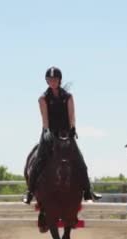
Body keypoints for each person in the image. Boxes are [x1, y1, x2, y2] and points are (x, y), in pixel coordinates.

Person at [22, 66, 102, 204]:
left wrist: (73, 128)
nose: (53, 82)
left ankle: (88, 191)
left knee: (80, 159)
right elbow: (44, 117)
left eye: (55, 79)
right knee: (39, 159)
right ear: (47, 81)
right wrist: (46, 131)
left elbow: (72, 115)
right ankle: (30, 192)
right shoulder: (43, 98)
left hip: (65, 133)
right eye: (50, 79)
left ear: (59, 80)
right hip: (50, 133)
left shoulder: (68, 97)